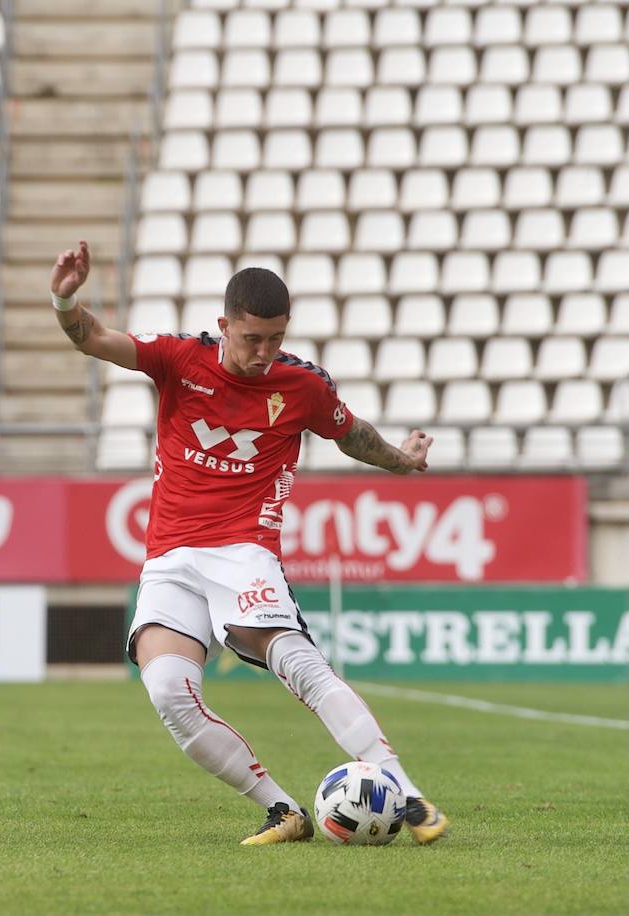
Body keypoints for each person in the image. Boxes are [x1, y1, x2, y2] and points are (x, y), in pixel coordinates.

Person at [50, 240, 450, 846]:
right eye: (251, 339)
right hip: (169, 560)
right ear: (224, 326)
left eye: (275, 338)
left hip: (243, 551)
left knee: (297, 663)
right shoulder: (180, 359)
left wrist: (401, 462)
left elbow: (352, 435)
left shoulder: (301, 386)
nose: (265, 352)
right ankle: (283, 810)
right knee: (167, 691)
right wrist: (65, 296)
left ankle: (407, 792)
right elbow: (92, 337)